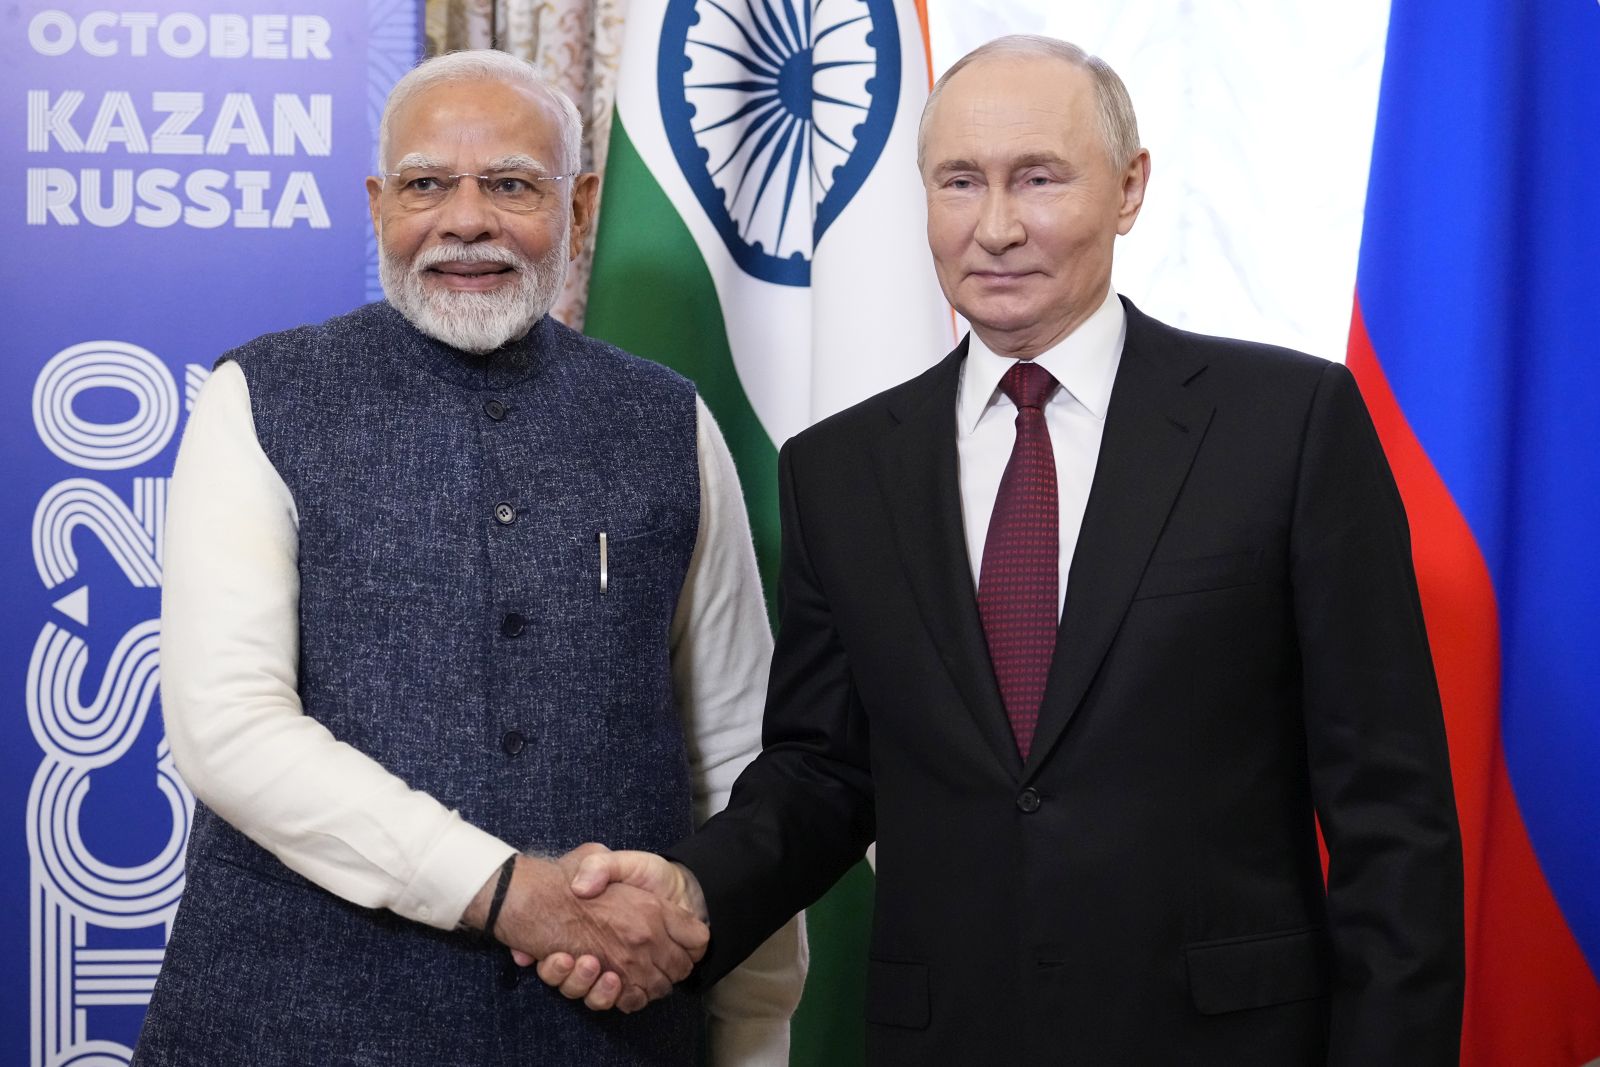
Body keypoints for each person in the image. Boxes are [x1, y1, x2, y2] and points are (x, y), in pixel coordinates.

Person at [544, 34, 1465, 1064]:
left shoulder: (1286, 424)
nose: (994, 227)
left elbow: (1392, 813)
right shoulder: (839, 469)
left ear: (1128, 189)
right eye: (958, 182)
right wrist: (695, 889)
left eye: (1036, 178)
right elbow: (823, 771)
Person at [133, 49, 803, 1067]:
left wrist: (754, 1032)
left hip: (610, 1037)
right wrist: (509, 893)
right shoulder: (258, 397)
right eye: (426, 184)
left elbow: (736, 750)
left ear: (579, 210)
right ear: (377, 204)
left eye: (511, 185)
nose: (465, 220)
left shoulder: (670, 419)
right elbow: (229, 726)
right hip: (290, 1026)